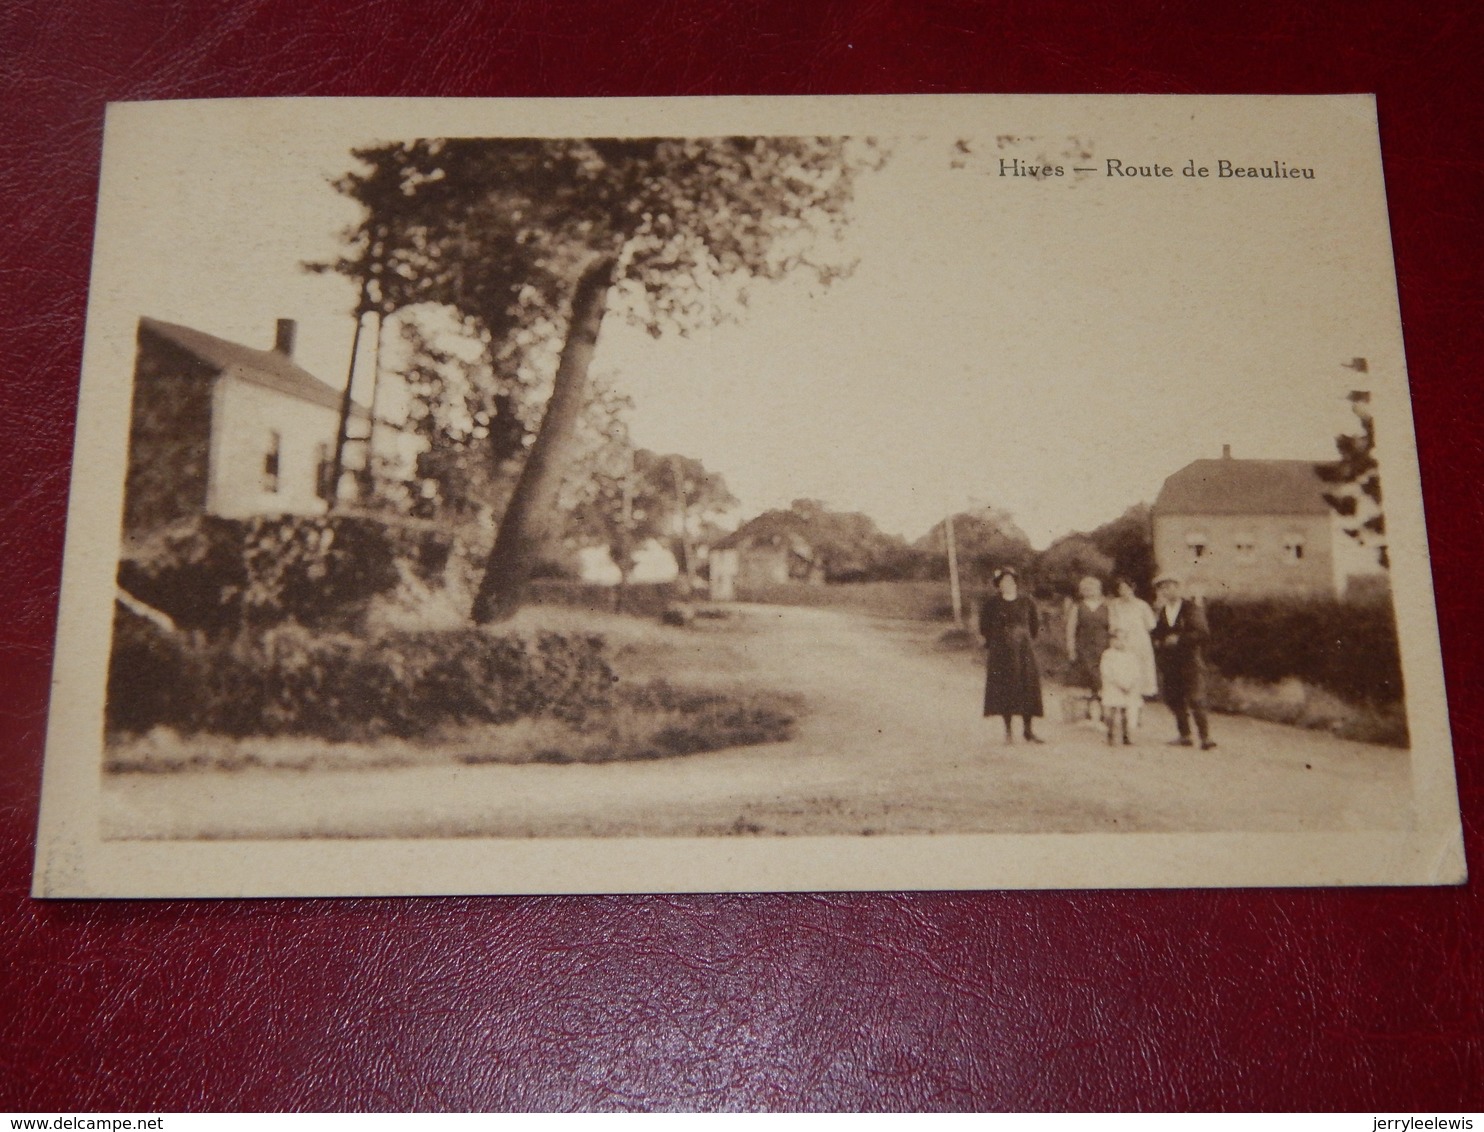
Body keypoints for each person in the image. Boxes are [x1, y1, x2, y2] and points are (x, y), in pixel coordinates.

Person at [1150, 573, 1216, 750]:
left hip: (1190, 660)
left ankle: (1205, 737)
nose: (1166, 590)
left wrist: (1179, 639)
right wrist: (1156, 639)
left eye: (1170, 586)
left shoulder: (1190, 608)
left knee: (1196, 698)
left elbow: (1202, 633)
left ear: (1179, 588)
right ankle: (1184, 735)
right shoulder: (1163, 611)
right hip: (1170, 662)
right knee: (1173, 698)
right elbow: (1158, 632)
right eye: (1163, 588)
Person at [979, 566, 1044, 743]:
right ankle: (1008, 732)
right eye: (1003, 582)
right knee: (1006, 688)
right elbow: (984, 626)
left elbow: (1034, 626)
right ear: (998, 585)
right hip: (1001, 652)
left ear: (1015, 582)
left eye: (1010, 581)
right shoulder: (992, 603)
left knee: (1027, 687)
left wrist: (1022, 638)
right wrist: (999, 640)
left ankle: (1028, 731)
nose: (1007, 584)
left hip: (1023, 650)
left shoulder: (1026, 601)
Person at [1064, 575, 1111, 716]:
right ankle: (1087, 711)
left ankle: (1104, 711)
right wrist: (1071, 649)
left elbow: (1113, 627)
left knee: (1103, 678)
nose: (1090, 591)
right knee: (1087, 679)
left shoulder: (1107, 607)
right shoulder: (1078, 607)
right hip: (1084, 647)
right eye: (1086, 588)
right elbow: (1070, 630)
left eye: (1093, 588)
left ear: (1099, 589)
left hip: (1104, 646)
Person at [1107, 576, 1158, 698]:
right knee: (1123, 671)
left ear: (1132, 588)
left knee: (1140, 670)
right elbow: (1112, 624)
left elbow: (1151, 625)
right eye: (1121, 589)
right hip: (1122, 641)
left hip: (1140, 641)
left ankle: (1138, 700)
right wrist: (1118, 634)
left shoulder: (1142, 605)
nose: (1124, 592)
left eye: (1126, 588)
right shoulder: (1115, 605)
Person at [1098, 629, 1142, 745]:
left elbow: (1136, 671)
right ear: (1112, 641)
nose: (1121, 642)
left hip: (1128, 687)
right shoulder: (1108, 655)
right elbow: (1106, 671)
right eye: (1117, 639)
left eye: (1124, 639)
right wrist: (1118, 683)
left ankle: (1126, 735)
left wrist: (1130, 683)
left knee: (1126, 712)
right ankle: (1110, 734)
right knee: (1111, 712)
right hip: (1113, 687)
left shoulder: (1131, 655)